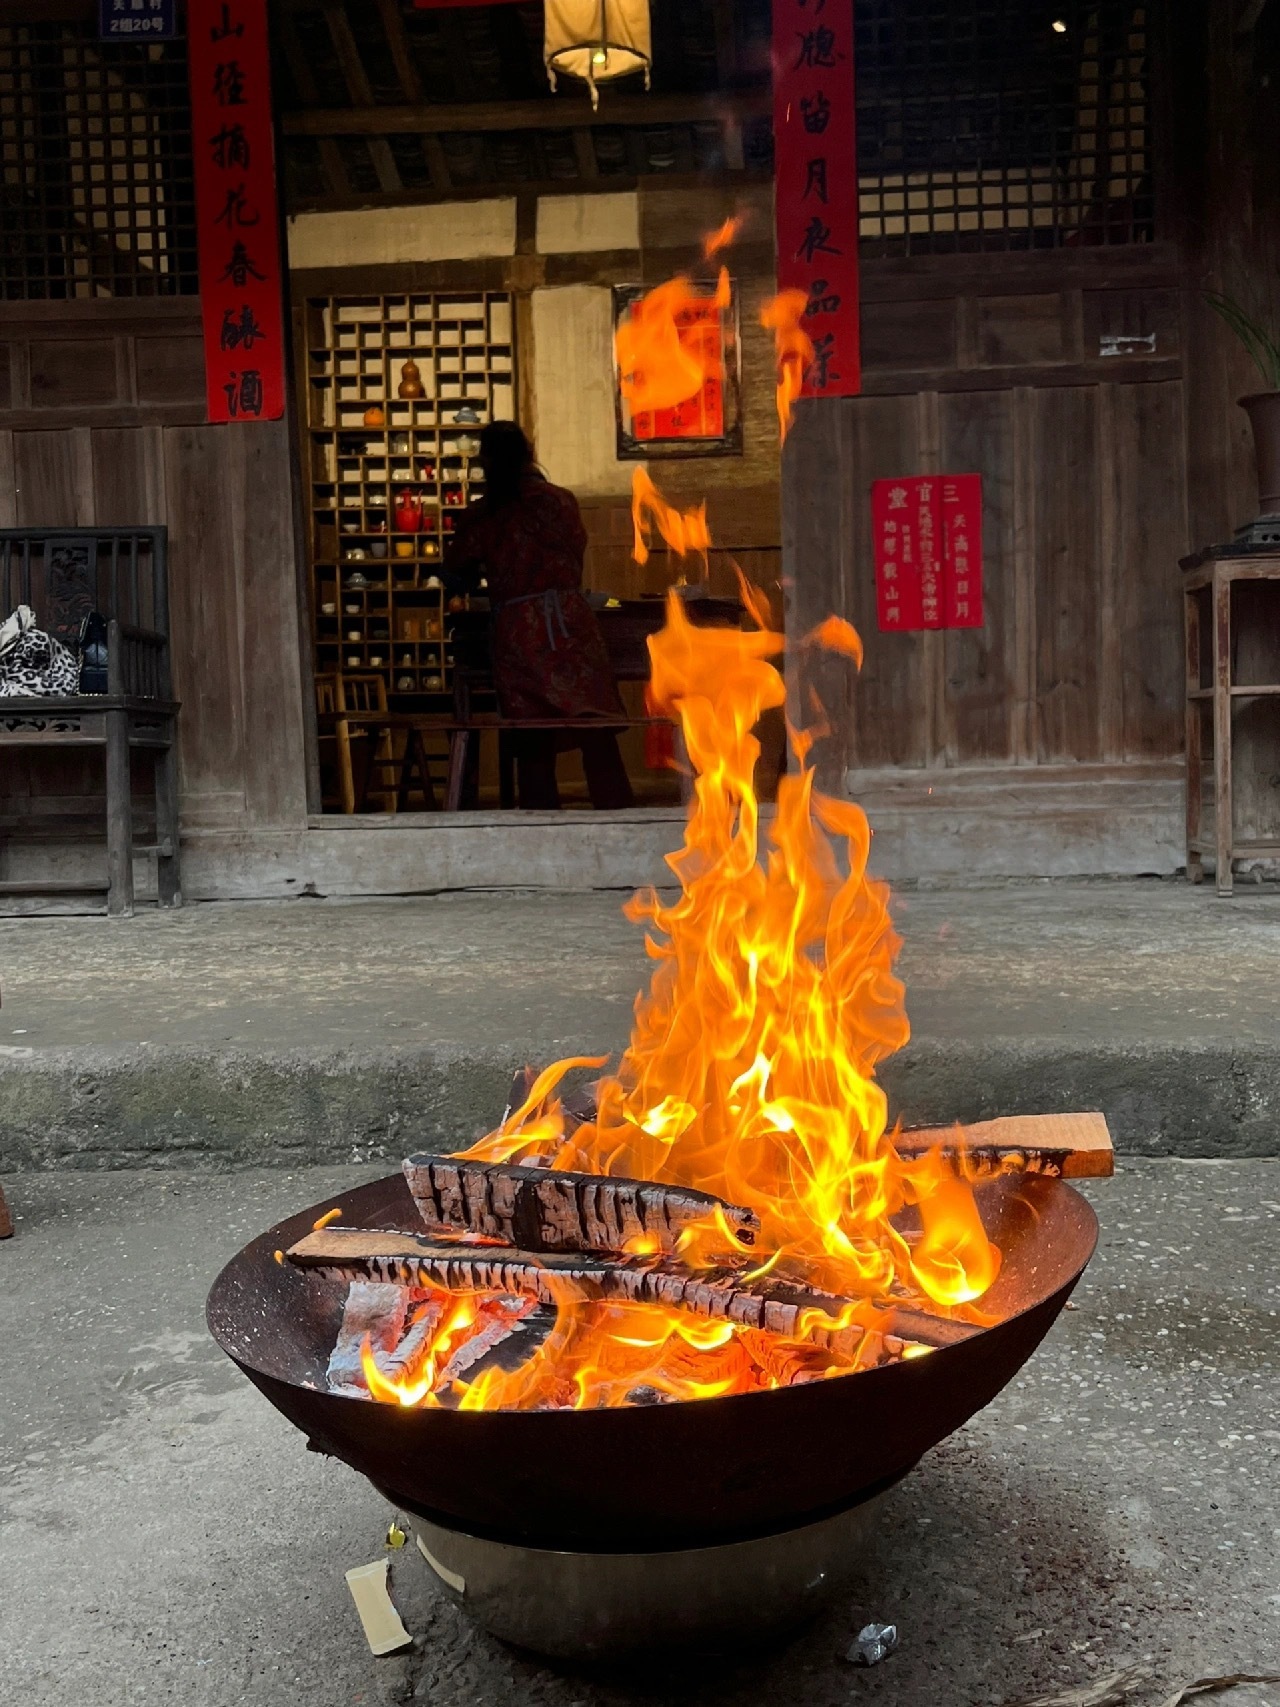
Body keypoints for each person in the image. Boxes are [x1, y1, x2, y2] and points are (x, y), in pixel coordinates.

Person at [443, 422, 634, 811]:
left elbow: (455, 572)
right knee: (594, 726)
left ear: (487, 461)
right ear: (529, 453)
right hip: (570, 619)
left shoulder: (485, 514)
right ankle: (619, 818)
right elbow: (575, 552)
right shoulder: (561, 501)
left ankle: (540, 826)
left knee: (533, 736)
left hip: (520, 630)